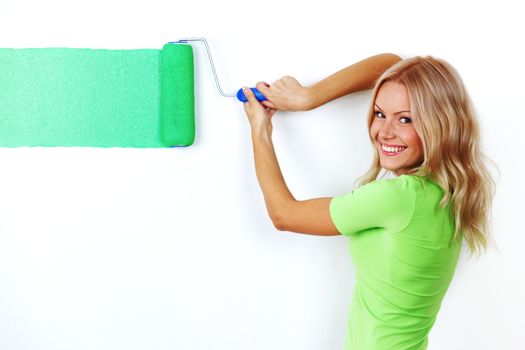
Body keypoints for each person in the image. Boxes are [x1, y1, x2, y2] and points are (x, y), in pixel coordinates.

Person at [241, 53, 497, 350]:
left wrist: (260, 129)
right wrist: (307, 98)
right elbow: (391, 63)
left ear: (439, 123)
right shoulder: (446, 193)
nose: (384, 132)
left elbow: (284, 215)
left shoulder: (398, 198)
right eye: (379, 113)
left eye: (405, 119)